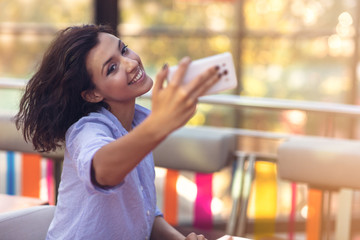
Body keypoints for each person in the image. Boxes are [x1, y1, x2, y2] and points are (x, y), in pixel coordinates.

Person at [15, 24, 223, 240]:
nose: (131, 63)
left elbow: (144, 213)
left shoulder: (138, 125)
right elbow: (103, 171)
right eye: (111, 68)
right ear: (92, 94)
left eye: (123, 50)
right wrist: (160, 125)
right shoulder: (86, 130)